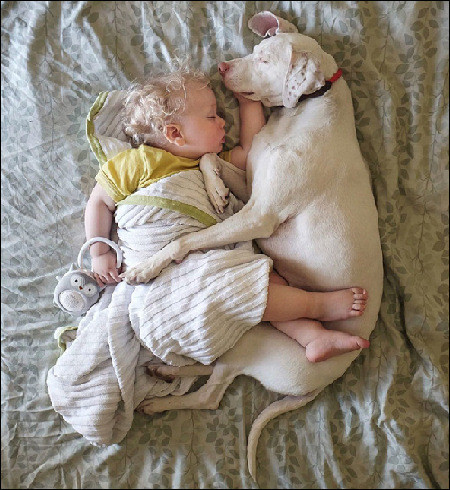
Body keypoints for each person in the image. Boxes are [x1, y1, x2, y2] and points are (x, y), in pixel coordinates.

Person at [84, 65, 370, 363]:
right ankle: (315, 306)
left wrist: (248, 103)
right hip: (162, 272)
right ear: (174, 133)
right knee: (242, 285)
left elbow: (250, 150)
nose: (222, 122)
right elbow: (99, 203)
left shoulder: (211, 165)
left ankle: (312, 336)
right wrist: (100, 250)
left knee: (261, 279)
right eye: (211, 116)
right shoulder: (138, 163)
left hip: (208, 260)